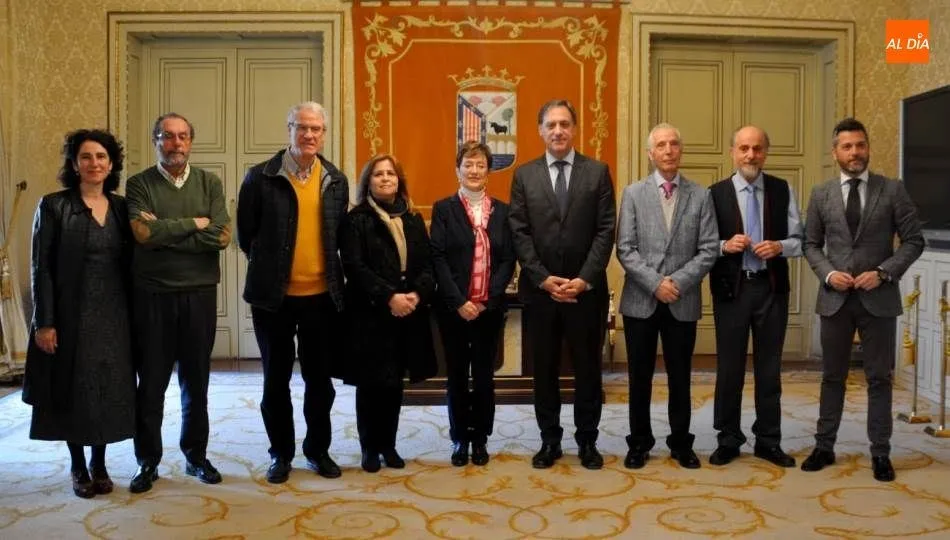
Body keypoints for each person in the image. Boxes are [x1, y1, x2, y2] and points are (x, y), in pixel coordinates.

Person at [801, 117, 924, 482]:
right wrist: (827, 273)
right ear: (835, 151)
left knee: (878, 378)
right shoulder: (821, 193)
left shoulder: (893, 190)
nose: (855, 152)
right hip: (835, 299)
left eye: (860, 145)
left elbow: (914, 240)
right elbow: (810, 244)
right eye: (847, 146)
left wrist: (884, 272)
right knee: (832, 377)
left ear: (868, 148)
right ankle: (824, 446)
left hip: (878, 299)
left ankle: (880, 453)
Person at [237, 101, 350, 484]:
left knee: (319, 381)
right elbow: (245, 236)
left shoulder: (336, 180)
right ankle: (280, 454)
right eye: (302, 127)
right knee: (276, 379)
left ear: (323, 133)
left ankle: (318, 450)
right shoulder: (260, 177)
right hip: (274, 300)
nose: (309, 135)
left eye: (316, 129)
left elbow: (338, 236)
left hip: (322, 298)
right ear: (289, 129)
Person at [22, 129, 135, 498]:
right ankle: (77, 465)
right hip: (72, 313)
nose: (94, 164)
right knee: (75, 389)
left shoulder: (121, 207)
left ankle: (100, 462)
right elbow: (42, 268)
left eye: (101, 157)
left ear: (112, 163)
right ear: (74, 164)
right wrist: (45, 322)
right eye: (86, 157)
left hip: (115, 313)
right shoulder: (54, 206)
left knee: (107, 387)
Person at [125, 113, 231, 493]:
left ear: (191, 141)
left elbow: (221, 237)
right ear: (156, 140)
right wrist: (194, 223)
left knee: (196, 383)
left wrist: (165, 230)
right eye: (167, 136)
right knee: (150, 384)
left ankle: (196, 456)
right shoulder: (139, 184)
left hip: (199, 295)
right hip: (152, 296)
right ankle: (147, 461)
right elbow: (141, 233)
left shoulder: (209, 182)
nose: (176, 143)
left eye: (183, 136)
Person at [509, 99, 616, 470]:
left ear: (575, 129)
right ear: (540, 130)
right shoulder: (524, 175)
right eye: (551, 124)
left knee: (588, 369)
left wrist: (584, 279)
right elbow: (519, 232)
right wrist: (542, 278)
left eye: (565, 124)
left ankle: (588, 441)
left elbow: (606, 230)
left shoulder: (598, 172)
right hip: (542, 294)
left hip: (586, 294)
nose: (558, 131)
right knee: (545, 371)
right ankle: (549, 441)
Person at [616, 122, 718, 470]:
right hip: (640, 301)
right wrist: (655, 283)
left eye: (674, 144)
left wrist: (675, 282)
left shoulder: (700, 195)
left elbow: (707, 250)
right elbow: (625, 249)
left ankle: (680, 443)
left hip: (682, 300)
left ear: (681, 150)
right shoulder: (633, 194)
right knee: (639, 378)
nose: (669, 150)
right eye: (661, 145)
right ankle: (639, 442)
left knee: (680, 377)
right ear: (650, 153)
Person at [707, 125, 803, 468]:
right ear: (732, 152)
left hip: (771, 289)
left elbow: (800, 240)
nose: (751, 155)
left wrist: (779, 246)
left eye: (757, 149)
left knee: (769, 369)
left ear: (766, 152)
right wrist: (723, 245)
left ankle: (768, 440)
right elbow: (702, 244)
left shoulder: (782, 190)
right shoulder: (714, 194)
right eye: (744, 148)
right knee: (729, 368)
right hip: (731, 290)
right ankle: (728, 439)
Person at [340, 153, 437, 473]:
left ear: (399, 181)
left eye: (391, 174)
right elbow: (355, 267)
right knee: (371, 385)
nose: (385, 179)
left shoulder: (411, 217)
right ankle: (369, 448)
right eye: (378, 174)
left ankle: (389, 445)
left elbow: (427, 263)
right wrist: (389, 297)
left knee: (394, 384)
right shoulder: (357, 219)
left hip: (407, 312)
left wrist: (416, 294)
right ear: (368, 180)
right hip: (371, 313)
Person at [431, 141, 516, 467]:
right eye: (468, 164)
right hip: (453, 309)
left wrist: (487, 300)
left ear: (489, 171)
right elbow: (437, 256)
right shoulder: (444, 209)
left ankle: (479, 439)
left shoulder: (503, 211)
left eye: (481, 165)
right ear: (458, 169)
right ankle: (459, 440)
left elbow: (509, 258)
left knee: (483, 376)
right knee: (455, 376)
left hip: (488, 310)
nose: (474, 170)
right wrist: (459, 301)